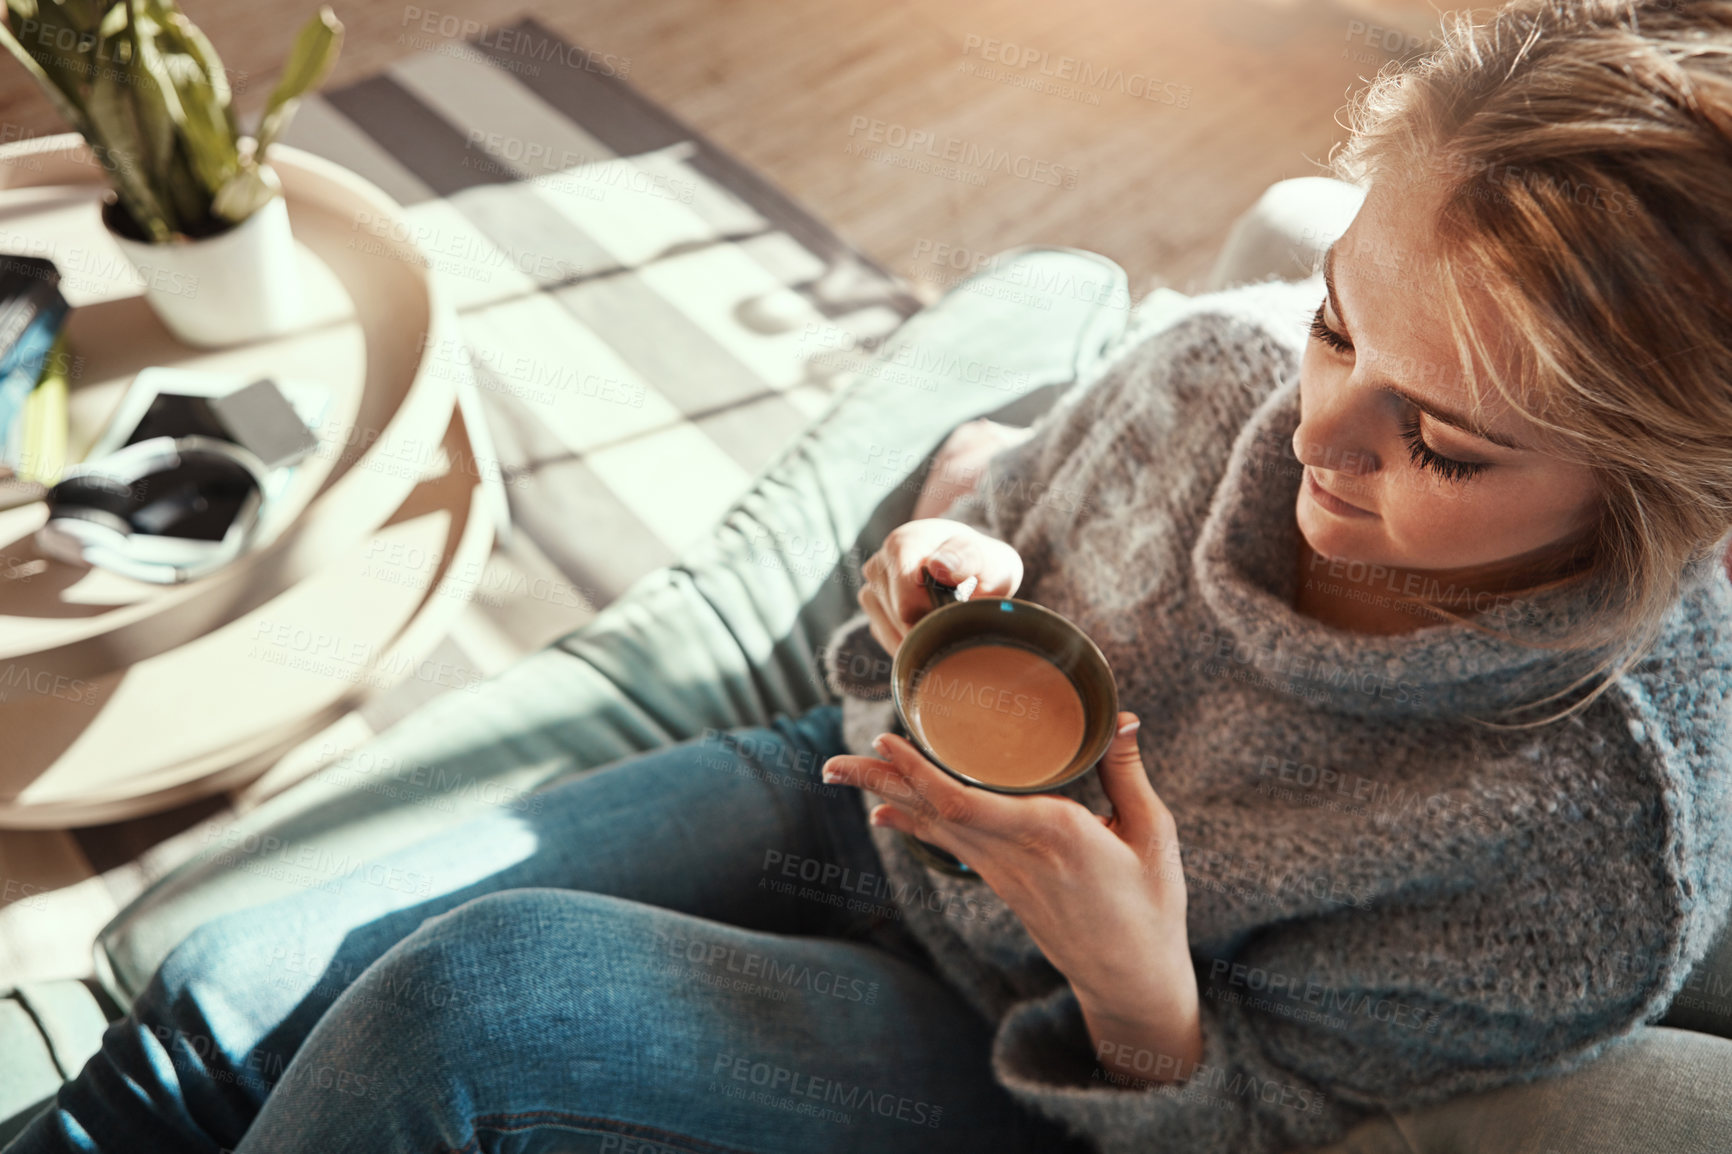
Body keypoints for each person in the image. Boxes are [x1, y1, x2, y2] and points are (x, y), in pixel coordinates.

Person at [12, 1, 1732, 1151]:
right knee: (217, 988)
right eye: (1342, 321)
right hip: (871, 792)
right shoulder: (1236, 365)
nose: (1315, 439)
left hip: (1023, 1038)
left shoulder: (1590, 850)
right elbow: (1013, 484)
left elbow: (1271, 1126)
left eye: (1441, 446)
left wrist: (1138, 991)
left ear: (1664, 494)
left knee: (470, 1009)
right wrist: (953, 535)